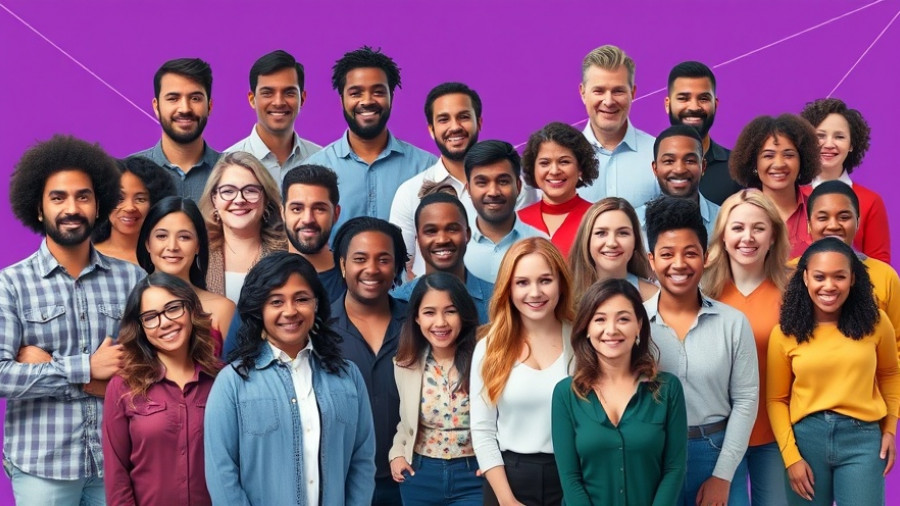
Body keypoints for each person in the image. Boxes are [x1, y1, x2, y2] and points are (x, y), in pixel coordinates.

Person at [0, 135, 145, 504]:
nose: (72, 208)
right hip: (42, 468)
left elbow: (145, 370)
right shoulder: (10, 284)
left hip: (117, 464)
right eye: (58, 197)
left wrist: (50, 368)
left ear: (99, 206)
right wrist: (86, 368)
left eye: (83, 196)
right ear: (38, 209)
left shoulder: (132, 280)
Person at [205, 252, 376, 505]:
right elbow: (222, 472)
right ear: (259, 309)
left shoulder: (347, 375)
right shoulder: (232, 382)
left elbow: (362, 462)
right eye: (276, 302)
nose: (290, 311)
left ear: (316, 304)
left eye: (301, 299)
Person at [642, 196, 758, 506]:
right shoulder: (634, 325)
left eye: (690, 253)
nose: (679, 264)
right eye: (667, 254)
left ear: (705, 257)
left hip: (717, 451)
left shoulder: (732, 322)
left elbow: (746, 400)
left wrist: (722, 476)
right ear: (651, 261)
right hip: (655, 455)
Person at [768, 237, 900, 505]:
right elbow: (776, 399)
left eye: (839, 276)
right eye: (819, 277)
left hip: (863, 439)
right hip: (805, 440)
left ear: (853, 278)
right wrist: (791, 457)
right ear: (805, 278)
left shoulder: (876, 323)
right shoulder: (784, 333)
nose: (829, 286)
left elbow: (890, 373)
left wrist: (889, 428)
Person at [552, 279, 687, 505]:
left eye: (623, 319)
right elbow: (570, 478)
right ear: (586, 328)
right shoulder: (566, 393)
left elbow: (674, 468)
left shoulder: (668, 389)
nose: (611, 330)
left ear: (639, 326)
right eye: (600, 319)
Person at [471, 237, 576, 506]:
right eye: (522, 282)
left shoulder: (582, 341)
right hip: (509, 479)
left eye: (545, 280)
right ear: (508, 288)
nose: (535, 293)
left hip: (573, 478)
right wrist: (506, 499)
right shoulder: (489, 347)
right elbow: (482, 431)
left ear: (561, 283)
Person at [702, 189, 791, 504]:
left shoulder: (795, 291)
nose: (748, 237)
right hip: (718, 437)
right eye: (738, 227)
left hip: (777, 435)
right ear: (723, 236)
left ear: (772, 237)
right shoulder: (702, 291)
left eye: (759, 228)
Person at [102, 273, 221, 505]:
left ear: (191, 309)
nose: (165, 322)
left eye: (173, 308)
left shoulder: (223, 379)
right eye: (150, 317)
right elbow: (116, 475)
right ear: (141, 327)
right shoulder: (122, 387)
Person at [303, 46, 436, 233]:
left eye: (378, 92)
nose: (367, 101)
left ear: (392, 97)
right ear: (342, 100)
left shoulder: (427, 168)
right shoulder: (314, 169)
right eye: (356, 93)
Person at [329, 216, 409, 505]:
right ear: (342, 264)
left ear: (398, 266)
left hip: (409, 480)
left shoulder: (419, 325)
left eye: (384, 259)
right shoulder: (318, 330)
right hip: (342, 483)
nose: (372, 269)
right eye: (360, 258)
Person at [389, 272, 483, 505]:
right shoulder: (405, 363)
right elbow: (405, 422)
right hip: (420, 474)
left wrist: (494, 463)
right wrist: (397, 454)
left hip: (474, 474)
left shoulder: (485, 358)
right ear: (417, 318)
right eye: (429, 312)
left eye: (450, 311)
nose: (440, 322)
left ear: (463, 314)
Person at [390, 82, 483, 277]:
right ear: (431, 130)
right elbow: (399, 267)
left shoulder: (512, 188)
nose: (455, 127)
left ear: (479, 123)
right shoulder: (410, 192)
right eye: (443, 119)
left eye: (464, 117)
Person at [805, 180, 900, 349]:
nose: (833, 225)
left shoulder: (885, 276)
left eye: (844, 217)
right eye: (822, 218)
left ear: (857, 222)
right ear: (809, 225)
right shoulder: (788, 274)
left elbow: (897, 344)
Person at [138, 196, 235, 353]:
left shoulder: (223, 309)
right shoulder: (130, 301)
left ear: (198, 246)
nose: (172, 246)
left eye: (184, 237)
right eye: (161, 236)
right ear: (148, 243)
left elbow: (237, 372)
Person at [800, 97, 890, 263]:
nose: (829, 144)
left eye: (839, 137)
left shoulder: (871, 201)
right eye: (820, 136)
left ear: (851, 145)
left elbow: (880, 267)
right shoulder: (794, 197)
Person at [198, 151, 287, 303]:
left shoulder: (287, 254)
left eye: (250, 190)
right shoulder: (197, 255)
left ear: (265, 199)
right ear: (214, 199)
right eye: (228, 191)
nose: (239, 200)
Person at [391, 193, 494, 324]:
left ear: (467, 234)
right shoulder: (397, 302)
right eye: (431, 231)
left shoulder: (499, 299)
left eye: (452, 229)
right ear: (418, 239)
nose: (442, 239)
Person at [577, 44, 659, 208]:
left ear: (633, 93)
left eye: (618, 91)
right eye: (599, 91)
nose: (608, 102)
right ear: (583, 93)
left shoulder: (658, 154)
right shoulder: (560, 162)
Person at [225, 50, 322, 187]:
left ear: (303, 99)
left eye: (289, 93)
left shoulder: (323, 160)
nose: (278, 102)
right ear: (252, 100)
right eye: (267, 93)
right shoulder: (226, 164)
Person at [730, 114, 821, 258]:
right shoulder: (735, 212)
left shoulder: (819, 209)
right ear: (754, 163)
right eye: (768, 155)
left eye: (788, 155)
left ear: (803, 161)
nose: (779, 164)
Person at [132, 58, 220, 203]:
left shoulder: (234, 171)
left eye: (195, 98)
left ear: (209, 106)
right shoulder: (128, 173)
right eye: (173, 98)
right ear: (156, 107)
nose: (185, 108)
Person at [462, 140, 546, 283]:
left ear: (518, 186)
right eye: (482, 183)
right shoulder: (455, 246)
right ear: (469, 189)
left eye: (503, 181)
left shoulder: (542, 244)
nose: (493, 192)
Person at [665, 60, 742, 205]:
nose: (694, 107)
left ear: (715, 105)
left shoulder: (737, 170)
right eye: (683, 98)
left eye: (703, 98)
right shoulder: (644, 166)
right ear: (667, 105)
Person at [518, 122, 599, 258]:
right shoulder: (517, 221)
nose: (554, 171)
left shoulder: (598, 219)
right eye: (545, 163)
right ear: (533, 168)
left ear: (580, 168)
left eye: (564, 162)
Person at [635, 124, 721, 243]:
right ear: (655, 169)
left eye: (690, 160)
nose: (679, 169)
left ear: (703, 166)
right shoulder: (633, 222)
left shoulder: (724, 221)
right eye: (669, 161)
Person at [568, 197, 657, 302]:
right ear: (586, 240)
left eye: (623, 233)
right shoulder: (563, 293)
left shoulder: (655, 298)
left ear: (635, 240)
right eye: (601, 233)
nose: (612, 243)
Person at [282, 164, 347, 304]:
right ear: (283, 213)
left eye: (319, 209)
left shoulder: (354, 281)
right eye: (297, 209)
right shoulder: (262, 279)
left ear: (336, 214)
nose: (308, 219)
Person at [92, 156, 177, 264]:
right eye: (119, 198)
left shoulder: (169, 257)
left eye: (140, 199)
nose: (129, 207)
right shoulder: (86, 257)